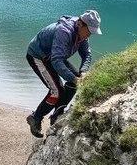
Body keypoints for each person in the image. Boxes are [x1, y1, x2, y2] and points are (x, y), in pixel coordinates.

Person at [25, 10, 102, 138]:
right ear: (80, 24)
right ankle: (35, 117)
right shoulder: (64, 32)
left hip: (54, 56)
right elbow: (56, 61)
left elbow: (86, 54)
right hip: (38, 56)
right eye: (89, 31)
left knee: (74, 83)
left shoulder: (82, 35)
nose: (89, 35)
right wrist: (74, 79)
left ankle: (56, 116)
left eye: (92, 32)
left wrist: (83, 72)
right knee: (57, 91)